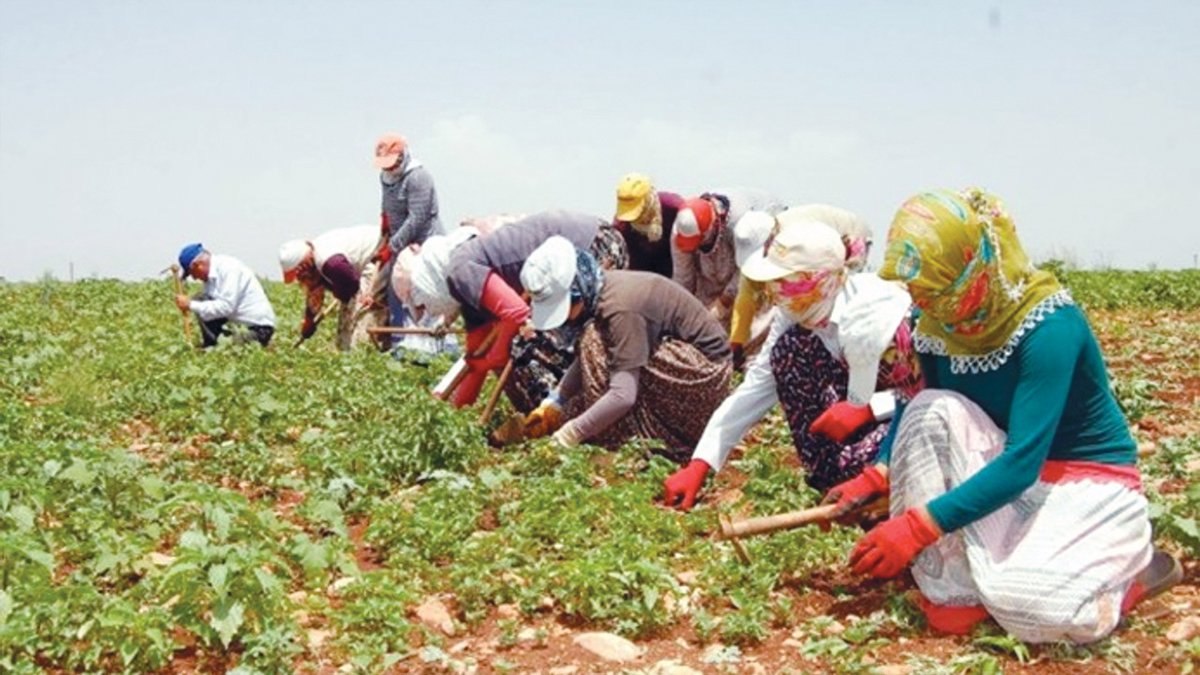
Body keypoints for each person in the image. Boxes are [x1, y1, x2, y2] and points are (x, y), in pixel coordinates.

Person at [832, 188, 1178, 642]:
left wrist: (918, 527)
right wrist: (877, 476)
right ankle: (952, 587)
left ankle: (1132, 568)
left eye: (934, 288)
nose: (922, 300)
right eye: (917, 289)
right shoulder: (936, 321)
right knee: (926, 408)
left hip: (1079, 481)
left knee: (1037, 612)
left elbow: (1022, 462)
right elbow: (923, 407)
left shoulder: (1049, 326)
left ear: (972, 268)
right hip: (1004, 469)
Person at [663, 209, 920, 509]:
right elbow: (757, 386)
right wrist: (701, 463)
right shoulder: (795, 313)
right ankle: (831, 477)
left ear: (818, 281)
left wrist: (867, 410)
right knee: (787, 353)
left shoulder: (883, 315)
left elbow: (934, 392)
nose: (773, 295)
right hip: (855, 408)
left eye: (782, 283)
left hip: (904, 416)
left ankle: (884, 483)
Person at [522, 236, 732, 460]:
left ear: (579, 290)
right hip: (686, 372)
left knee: (593, 341)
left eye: (566, 307)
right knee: (575, 406)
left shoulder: (619, 310)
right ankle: (620, 431)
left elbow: (623, 395)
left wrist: (571, 434)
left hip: (705, 380)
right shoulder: (602, 289)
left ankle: (639, 441)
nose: (565, 318)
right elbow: (585, 361)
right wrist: (555, 402)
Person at [402, 211, 628, 410]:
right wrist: (454, 416)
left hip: (591, 249)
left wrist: (495, 356)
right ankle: (572, 408)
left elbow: (518, 313)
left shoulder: (459, 270)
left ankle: (570, 412)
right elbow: (475, 359)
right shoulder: (467, 292)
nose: (428, 311)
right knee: (527, 341)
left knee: (526, 346)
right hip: (592, 240)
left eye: (423, 304)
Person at [373, 132, 443, 351]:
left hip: (424, 244)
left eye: (392, 163)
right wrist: (385, 226)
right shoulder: (385, 178)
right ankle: (401, 347)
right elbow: (387, 208)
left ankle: (431, 351)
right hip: (399, 244)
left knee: (423, 296)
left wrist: (392, 246)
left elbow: (417, 218)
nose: (389, 169)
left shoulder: (418, 177)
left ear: (403, 156)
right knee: (398, 297)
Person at [671, 188, 783, 316]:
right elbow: (682, 275)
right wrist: (679, 310)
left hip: (746, 266)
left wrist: (723, 302)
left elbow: (746, 268)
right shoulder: (681, 229)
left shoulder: (741, 226)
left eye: (699, 240)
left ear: (710, 227)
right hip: (709, 278)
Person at [278, 225, 383, 350]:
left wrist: (337, 293)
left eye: (299, 275)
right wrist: (309, 320)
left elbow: (351, 286)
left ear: (303, 266)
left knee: (360, 314)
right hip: (356, 269)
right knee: (345, 325)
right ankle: (347, 350)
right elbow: (315, 291)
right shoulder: (315, 261)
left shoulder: (330, 262)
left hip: (377, 256)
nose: (300, 279)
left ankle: (364, 350)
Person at [174, 243, 276, 348]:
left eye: (193, 273)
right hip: (236, 326)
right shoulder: (209, 279)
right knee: (201, 299)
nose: (195, 278)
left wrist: (190, 304)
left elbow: (227, 307)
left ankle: (260, 342)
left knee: (227, 349)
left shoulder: (229, 268)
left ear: (198, 265)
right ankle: (212, 345)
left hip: (258, 328)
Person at [611, 173, 685, 278]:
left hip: (681, 274)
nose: (637, 218)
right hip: (643, 281)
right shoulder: (621, 226)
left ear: (648, 200)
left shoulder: (674, 207)